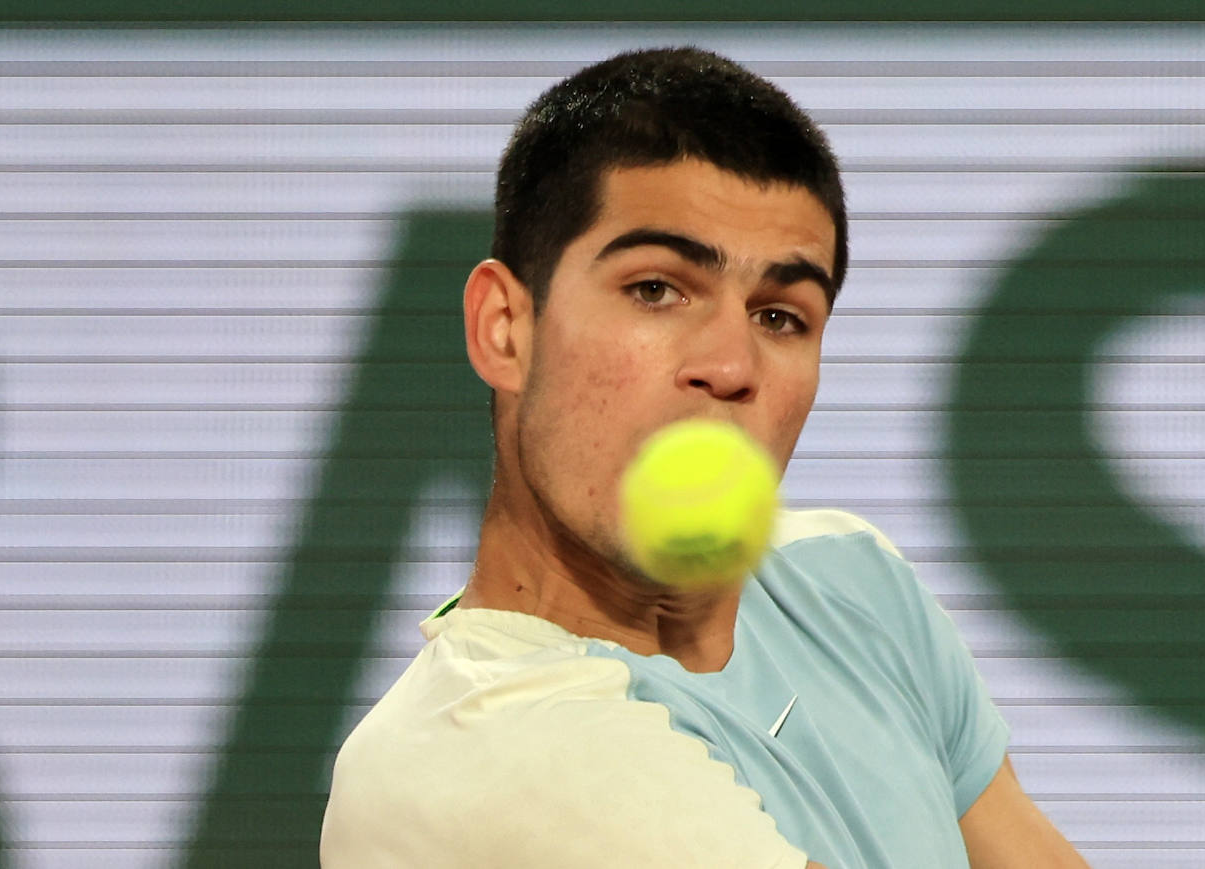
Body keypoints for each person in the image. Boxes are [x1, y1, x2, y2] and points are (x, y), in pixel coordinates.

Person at [320, 47, 1088, 868]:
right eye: (656, 288)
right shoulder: (474, 748)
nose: (730, 367)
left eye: (781, 316)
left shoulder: (849, 579)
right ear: (504, 327)